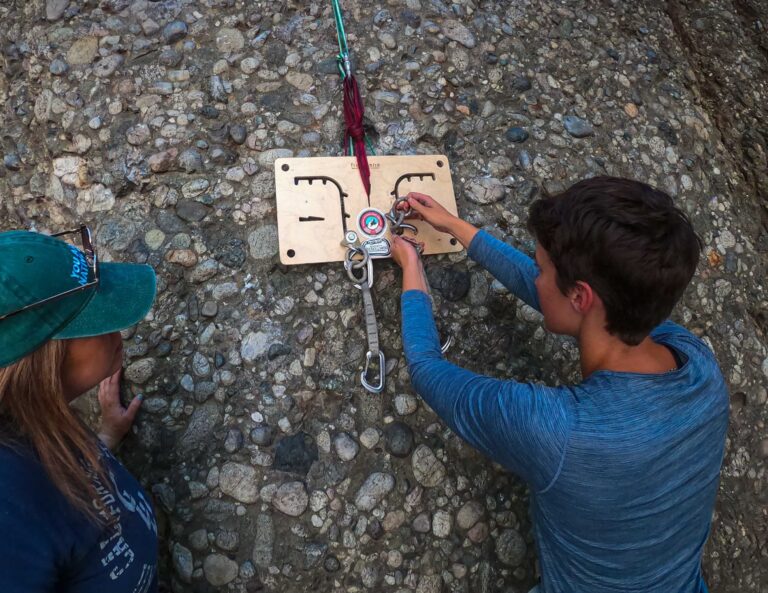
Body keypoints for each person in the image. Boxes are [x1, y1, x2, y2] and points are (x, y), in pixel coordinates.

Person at [389, 177, 727, 593]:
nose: (536, 277)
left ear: (581, 297)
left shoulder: (558, 430)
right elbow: (562, 297)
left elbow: (427, 369)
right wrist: (456, 227)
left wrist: (411, 268)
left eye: (543, 269)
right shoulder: (698, 363)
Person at [0, 226, 159, 593]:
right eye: (99, 322)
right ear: (43, 356)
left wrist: (105, 438)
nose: (119, 332)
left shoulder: (35, 422)